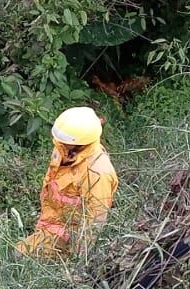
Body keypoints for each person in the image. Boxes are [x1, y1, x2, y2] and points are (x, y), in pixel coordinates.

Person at [16, 106, 117, 258]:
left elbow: (95, 222)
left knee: (18, 253)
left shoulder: (97, 172)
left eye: (63, 140)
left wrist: (80, 258)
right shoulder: (64, 148)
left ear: (81, 142)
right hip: (51, 221)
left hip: (69, 235)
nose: (58, 142)